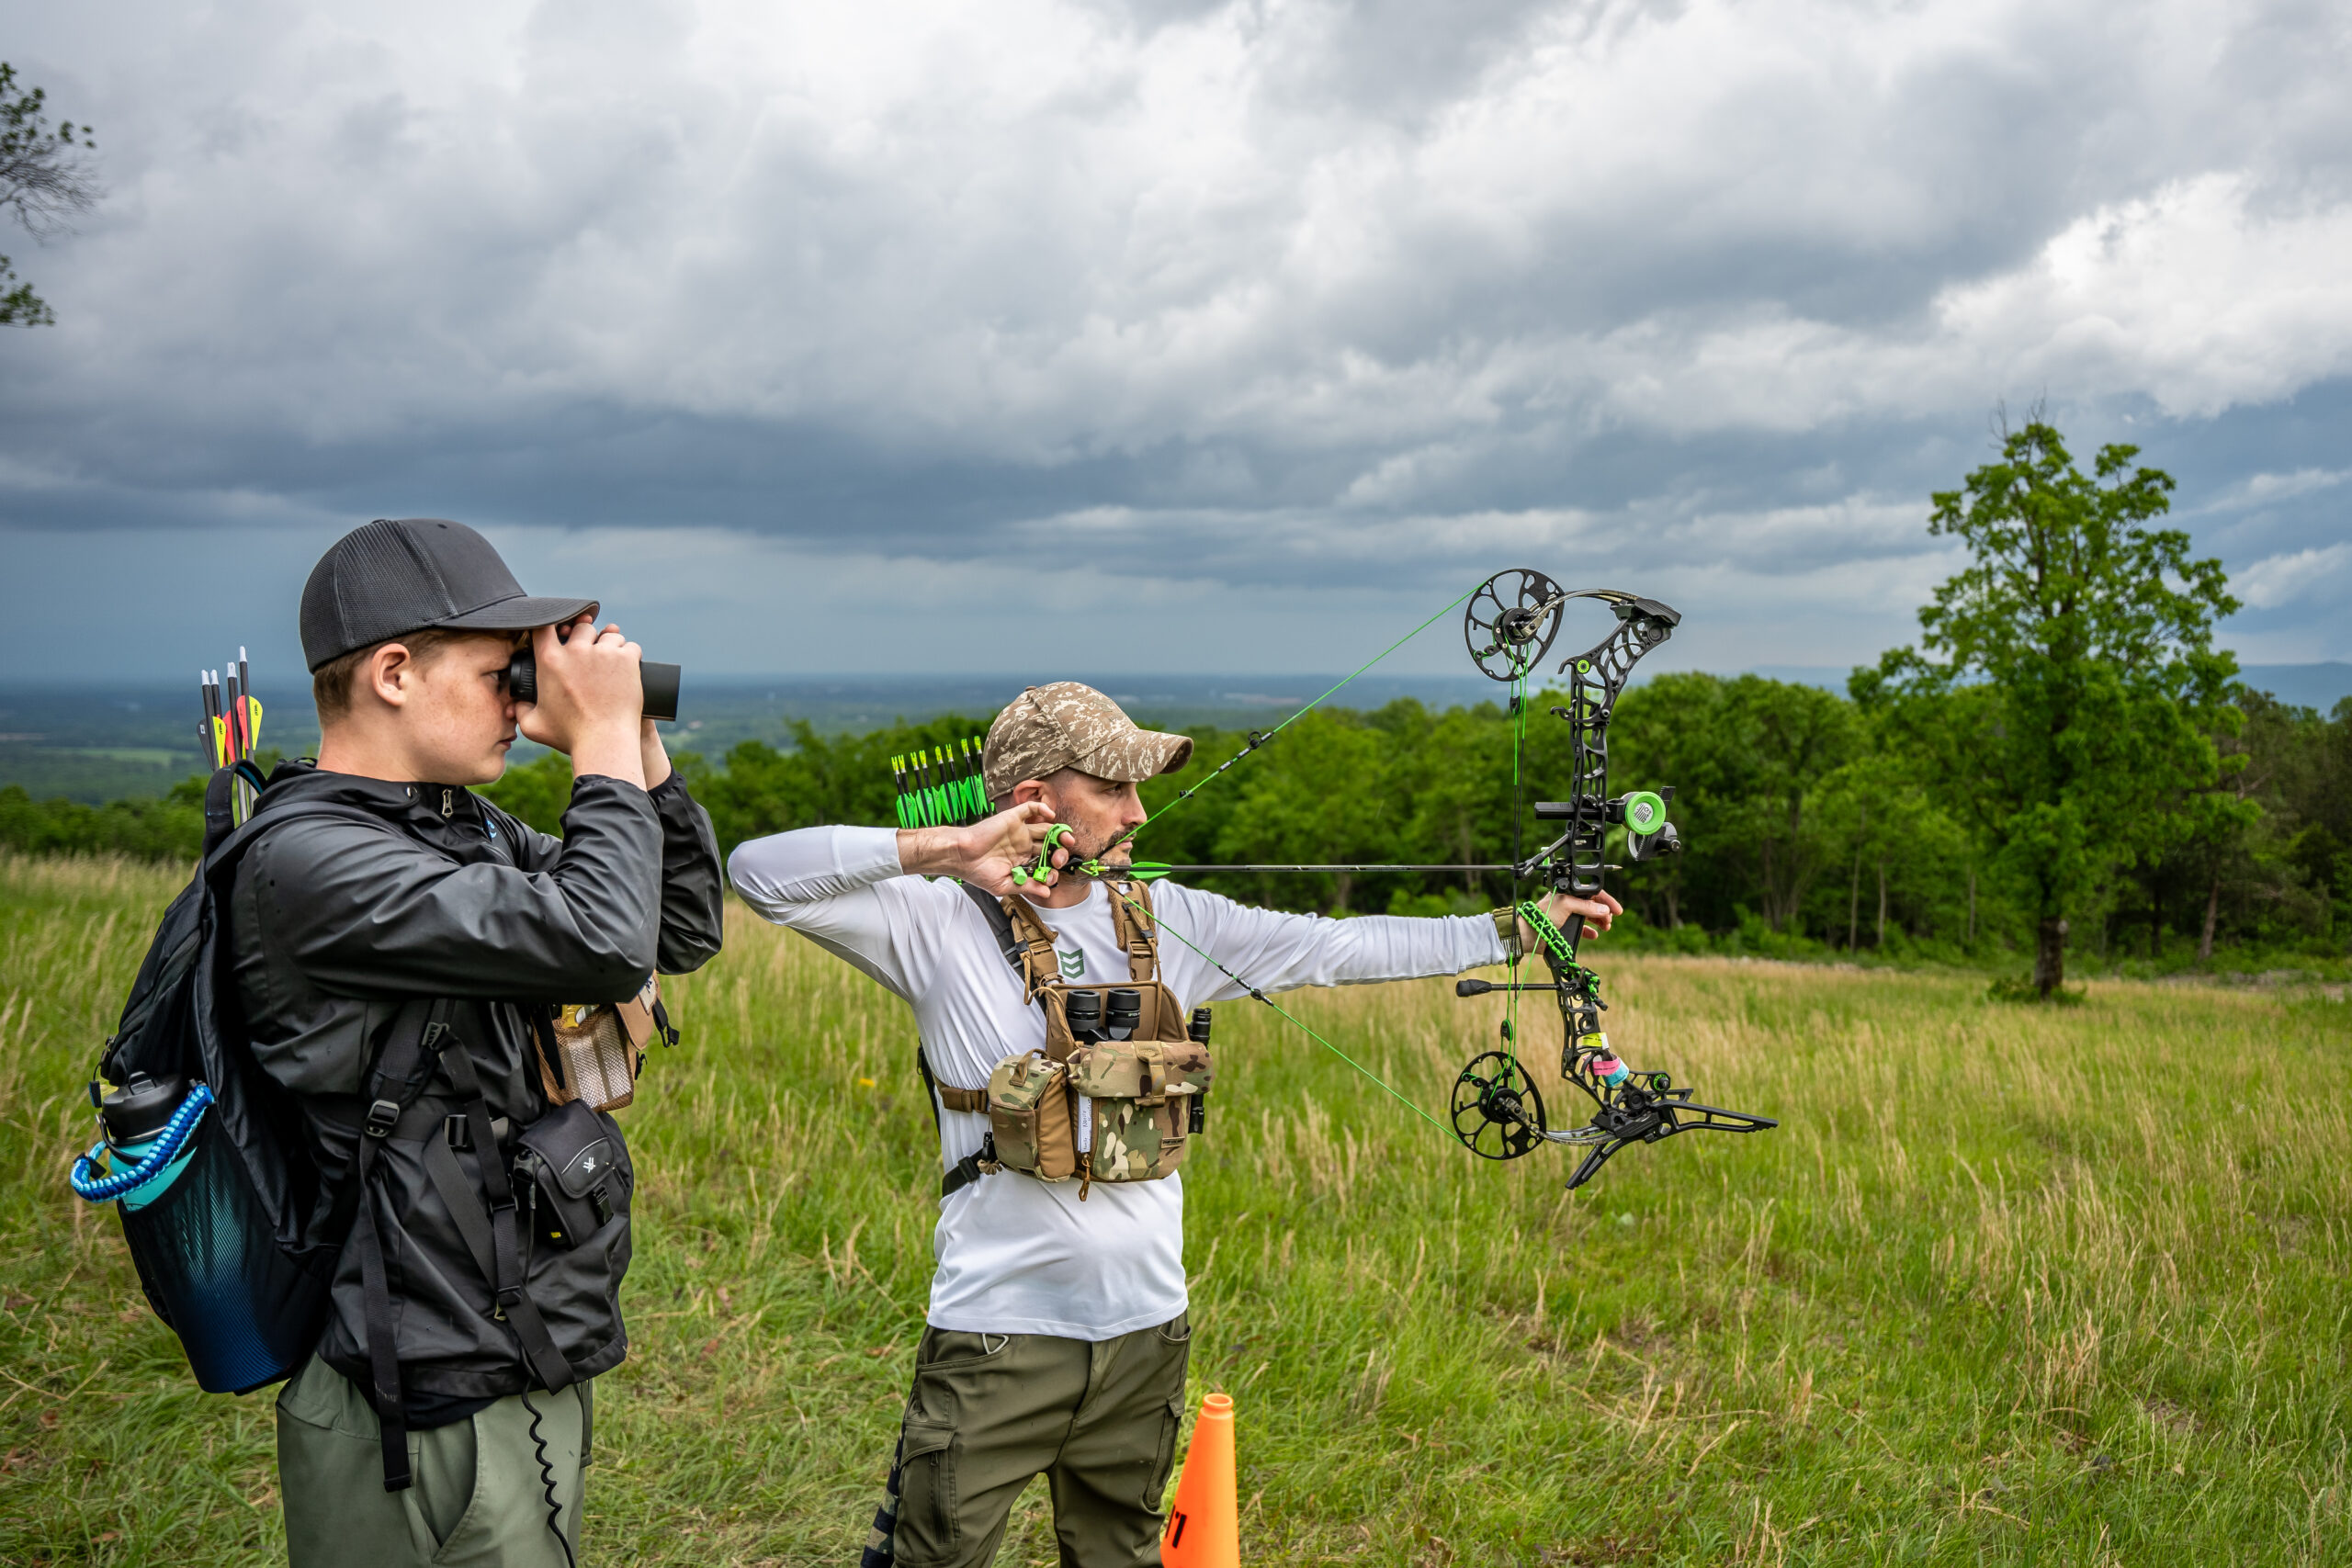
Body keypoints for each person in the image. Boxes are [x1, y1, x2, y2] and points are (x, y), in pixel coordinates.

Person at [726, 682, 1617, 1568]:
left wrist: (1520, 930)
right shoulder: (930, 919)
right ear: (1038, 799)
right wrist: (957, 847)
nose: (1138, 812)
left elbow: (1338, 946)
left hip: (1147, 1330)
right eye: (1114, 789)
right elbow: (757, 872)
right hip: (997, 1334)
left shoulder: (1171, 917)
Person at [237, 518, 725, 1566]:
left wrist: (638, 751)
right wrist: (593, 745)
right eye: (499, 667)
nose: (520, 694)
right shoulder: (311, 861)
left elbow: (672, 932)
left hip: (512, 1348)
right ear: (396, 672)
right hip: (401, 1388)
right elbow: (599, 944)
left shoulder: (463, 832)